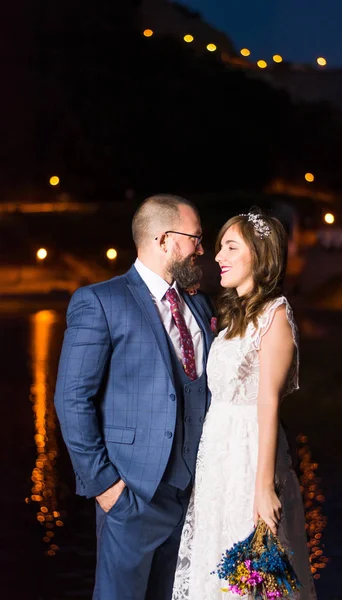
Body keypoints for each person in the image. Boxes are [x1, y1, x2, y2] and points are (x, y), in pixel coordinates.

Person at [54, 194, 216, 600]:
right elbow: (72, 399)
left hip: (193, 498)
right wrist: (106, 486)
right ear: (163, 239)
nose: (202, 248)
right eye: (195, 238)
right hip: (132, 497)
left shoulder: (197, 303)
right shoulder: (100, 301)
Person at [173, 209, 316, 599]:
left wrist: (263, 487)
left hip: (249, 457)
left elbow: (268, 405)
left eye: (231, 247)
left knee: (249, 576)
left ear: (260, 256)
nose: (218, 256)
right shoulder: (234, 317)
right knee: (213, 561)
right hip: (216, 458)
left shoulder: (275, 315)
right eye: (219, 247)